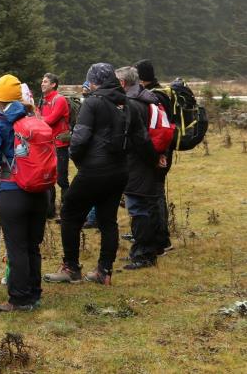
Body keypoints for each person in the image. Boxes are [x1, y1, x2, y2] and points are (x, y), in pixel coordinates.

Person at [44, 63, 155, 286]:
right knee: (108, 221)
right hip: (120, 171)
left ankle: (71, 267)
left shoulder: (93, 102)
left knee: (69, 214)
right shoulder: (128, 103)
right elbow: (141, 138)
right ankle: (104, 271)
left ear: (94, 81)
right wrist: (153, 161)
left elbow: (79, 139)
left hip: (94, 170)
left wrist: (81, 162)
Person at [0, 75, 45, 312]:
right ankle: (35, 294)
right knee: (32, 245)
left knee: (16, 246)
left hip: (12, 189)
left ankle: (19, 298)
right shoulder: (35, 117)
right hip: (40, 189)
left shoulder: (1, 122)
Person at [116, 66, 166, 269]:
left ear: (122, 83)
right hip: (146, 162)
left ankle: (143, 255)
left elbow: (139, 138)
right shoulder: (149, 98)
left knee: (138, 208)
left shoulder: (132, 104)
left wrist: (152, 158)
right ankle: (147, 250)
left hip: (138, 163)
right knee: (147, 206)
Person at [134, 59, 174, 255]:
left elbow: (161, 130)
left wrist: (160, 154)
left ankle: (161, 239)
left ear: (141, 77)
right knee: (155, 193)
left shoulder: (153, 96)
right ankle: (154, 232)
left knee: (155, 194)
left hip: (159, 152)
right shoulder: (162, 93)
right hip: (162, 150)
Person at [37, 73, 70, 219]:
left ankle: (66, 210)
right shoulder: (43, 100)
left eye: (45, 82)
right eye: (42, 81)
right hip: (47, 144)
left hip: (60, 144)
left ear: (53, 84)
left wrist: (39, 119)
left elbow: (50, 120)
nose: (42, 84)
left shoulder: (60, 99)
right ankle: (50, 211)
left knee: (61, 179)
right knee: (47, 178)